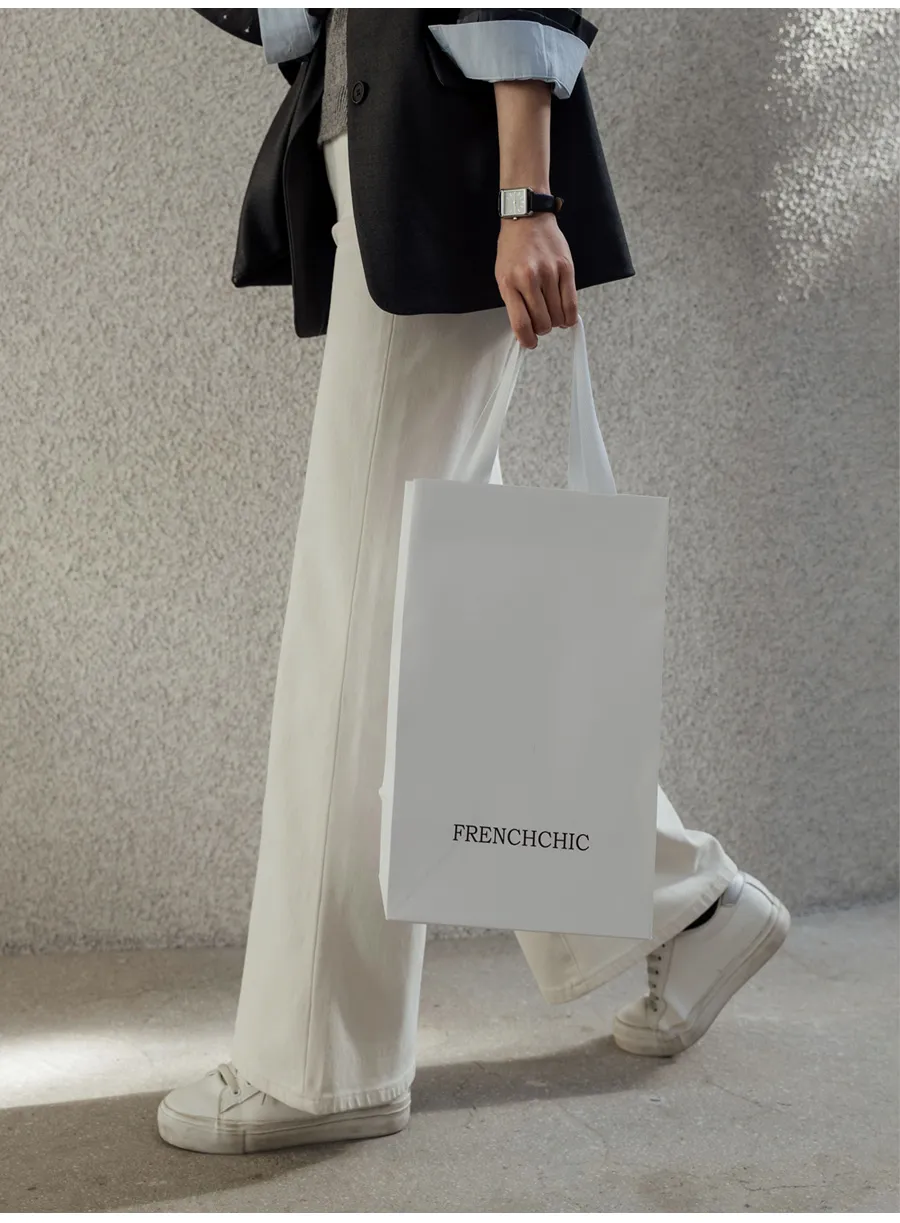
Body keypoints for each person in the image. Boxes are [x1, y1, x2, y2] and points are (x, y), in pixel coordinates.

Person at [158, 8, 790, 1155]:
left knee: (358, 619)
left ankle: (320, 1063)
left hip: (454, 169)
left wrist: (525, 197)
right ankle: (681, 902)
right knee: (424, 614)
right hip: (385, 158)